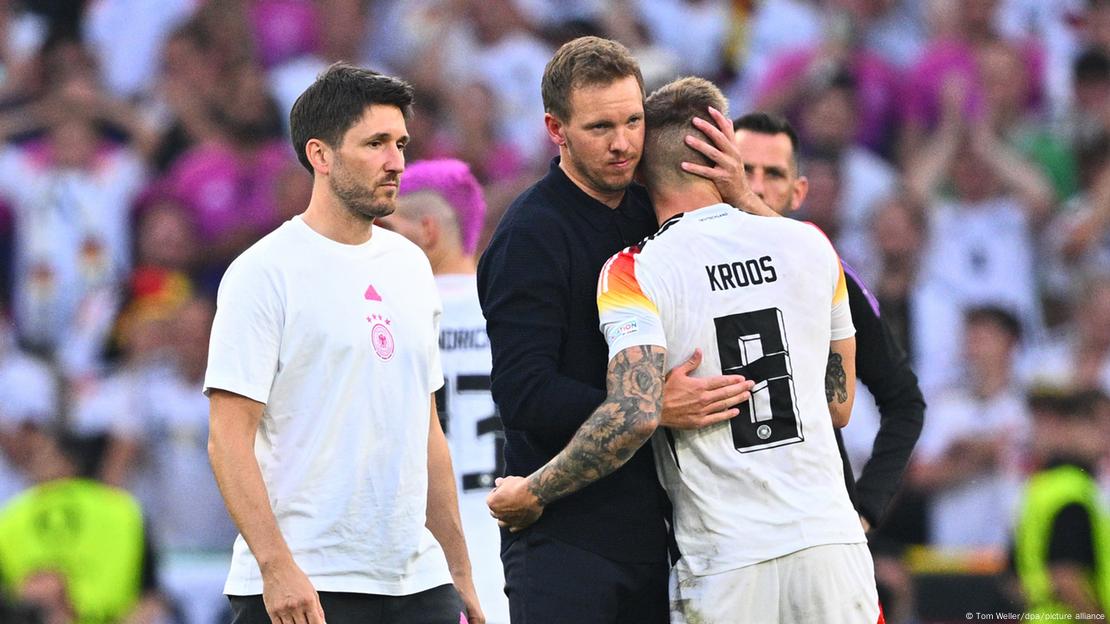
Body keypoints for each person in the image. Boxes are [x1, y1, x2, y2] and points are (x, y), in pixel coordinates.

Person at [488, 76, 880, 623]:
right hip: (831, 546)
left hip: (729, 559)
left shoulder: (635, 270)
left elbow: (633, 414)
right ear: (727, 154)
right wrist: (744, 194)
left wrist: (535, 492)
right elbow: (839, 407)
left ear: (646, 168)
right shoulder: (811, 247)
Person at [476, 36, 764, 624]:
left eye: (634, 120)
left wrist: (742, 194)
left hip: (663, 535)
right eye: (600, 127)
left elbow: (801, 274)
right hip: (564, 535)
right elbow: (523, 393)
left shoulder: (653, 209)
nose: (623, 143)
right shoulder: (530, 236)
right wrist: (651, 406)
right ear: (556, 130)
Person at [204, 63, 483, 624]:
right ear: (320, 155)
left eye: (401, 143)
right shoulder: (263, 272)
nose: (396, 161)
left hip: (417, 580)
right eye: (376, 143)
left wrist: (459, 573)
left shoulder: (409, 264)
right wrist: (275, 566)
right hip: (309, 579)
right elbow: (227, 440)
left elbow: (427, 433)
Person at [731, 112, 926, 533]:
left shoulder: (828, 275)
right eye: (745, 170)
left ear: (798, 192)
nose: (759, 186)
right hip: (724, 528)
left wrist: (866, 508)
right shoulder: (678, 266)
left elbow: (905, 402)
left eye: (775, 174)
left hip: (816, 525)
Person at [380, 158, 510, 623]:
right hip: (515, 552)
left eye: (388, 226)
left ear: (427, 231)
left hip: (421, 559)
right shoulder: (519, 313)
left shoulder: (388, 320)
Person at [1014, 389, 1110, 616]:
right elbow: (1067, 578)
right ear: (1072, 427)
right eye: (1098, 424)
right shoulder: (1073, 492)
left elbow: (1015, 583)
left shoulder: (1040, 487)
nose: (1107, 434)